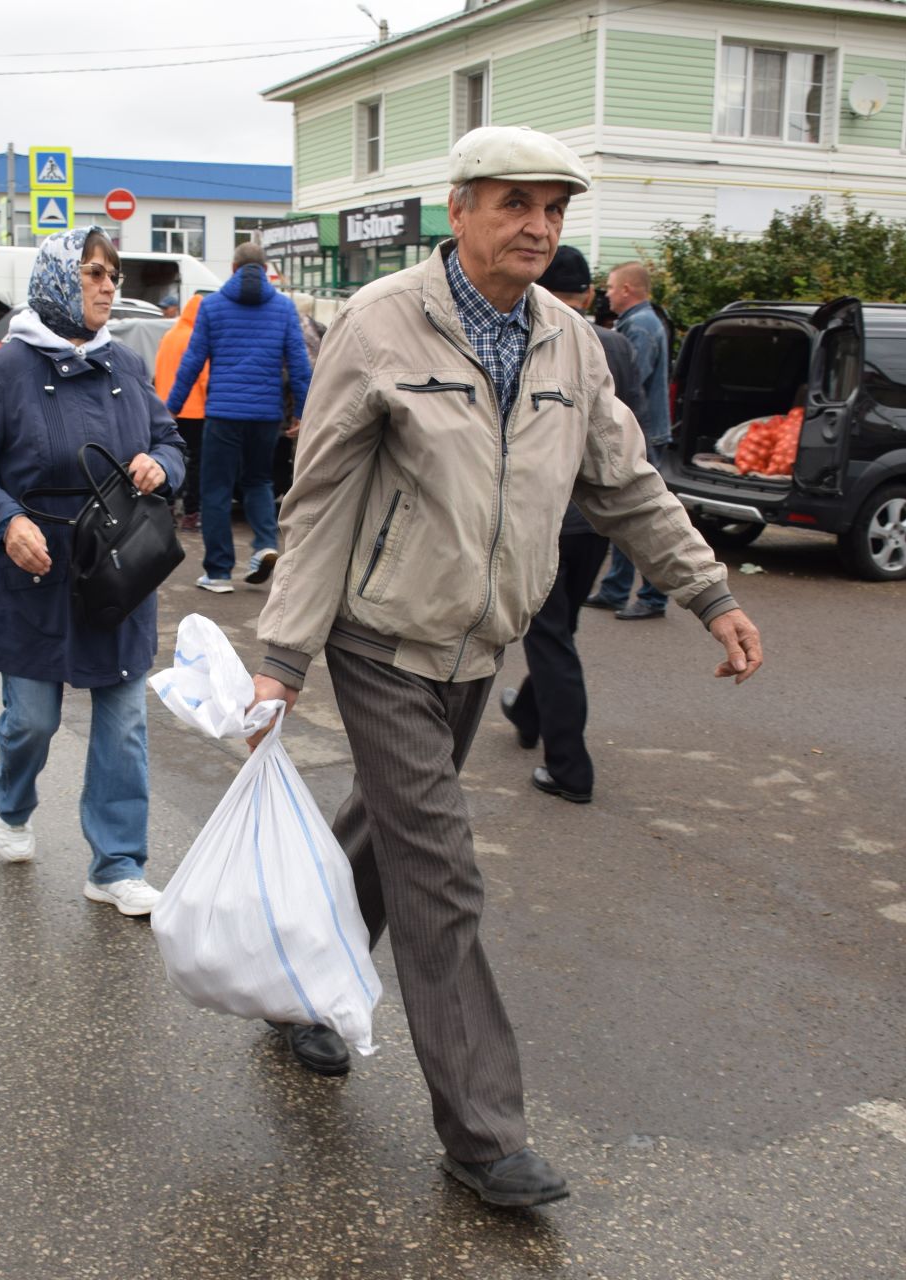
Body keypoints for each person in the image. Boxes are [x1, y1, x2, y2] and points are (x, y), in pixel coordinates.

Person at [246, 125, 762, 1208]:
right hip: (381, 636)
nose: (538, 225)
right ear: (460, 209)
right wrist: (284, 654)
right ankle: (483, 1134)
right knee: (441, 865)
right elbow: (323, 494)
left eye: (556, 208)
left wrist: (708, 591)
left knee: (386, 834)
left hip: (479, 642)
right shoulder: (382, 325)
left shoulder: (573, 343)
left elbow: (624, 482)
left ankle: (297, 990)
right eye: (516, 202)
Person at [0, 227, 185, 918]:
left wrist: (162, 466)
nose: (110, 285)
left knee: (124, 722)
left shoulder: (127, 366)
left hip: (117, 567)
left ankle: (116, 864)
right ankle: (12, 802)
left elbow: (169, 439)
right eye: (93, 272)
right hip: (35, 567)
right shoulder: (6, 370)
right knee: (33, 721)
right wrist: (4, 519)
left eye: (113, 273)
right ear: (55, 282)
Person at [499, 244, 647, 803]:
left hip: (548, 520)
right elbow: (630, 431)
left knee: (550, 637)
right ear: (587, 294)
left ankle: (570, 768)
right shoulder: (616, 343)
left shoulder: (531, 337)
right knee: (560, 633)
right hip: (595, 522)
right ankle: (528, 710)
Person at [165, 241, 311, 593]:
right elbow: (299, 364)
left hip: (223, 414)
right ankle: (263, 545)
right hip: (265, 416)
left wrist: (170, 407)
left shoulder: (212, 307)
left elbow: (192, 361)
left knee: (216, 488)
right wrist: (305, 412)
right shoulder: (283, 309)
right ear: (265, 270)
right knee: (259, 481)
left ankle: (217, 572)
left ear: (233, 269)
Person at [585, 260, 674, 619]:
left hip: (643, 430)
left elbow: (628, 379)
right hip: (646, 427)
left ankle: (653, 596)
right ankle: (616, 589)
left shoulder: (640, 326)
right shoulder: (641, 322)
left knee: (639, 510)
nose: (606, 294)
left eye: (609, 288)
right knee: (626, 510)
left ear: (626, 290)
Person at [154, 293, 210, 532]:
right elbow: (204, 377)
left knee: (171, 458)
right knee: (195, 463)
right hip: (195, 410)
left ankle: (166, 508)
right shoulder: (194, 337)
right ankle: (191, 513)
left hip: (167, 409)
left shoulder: (169, 336)